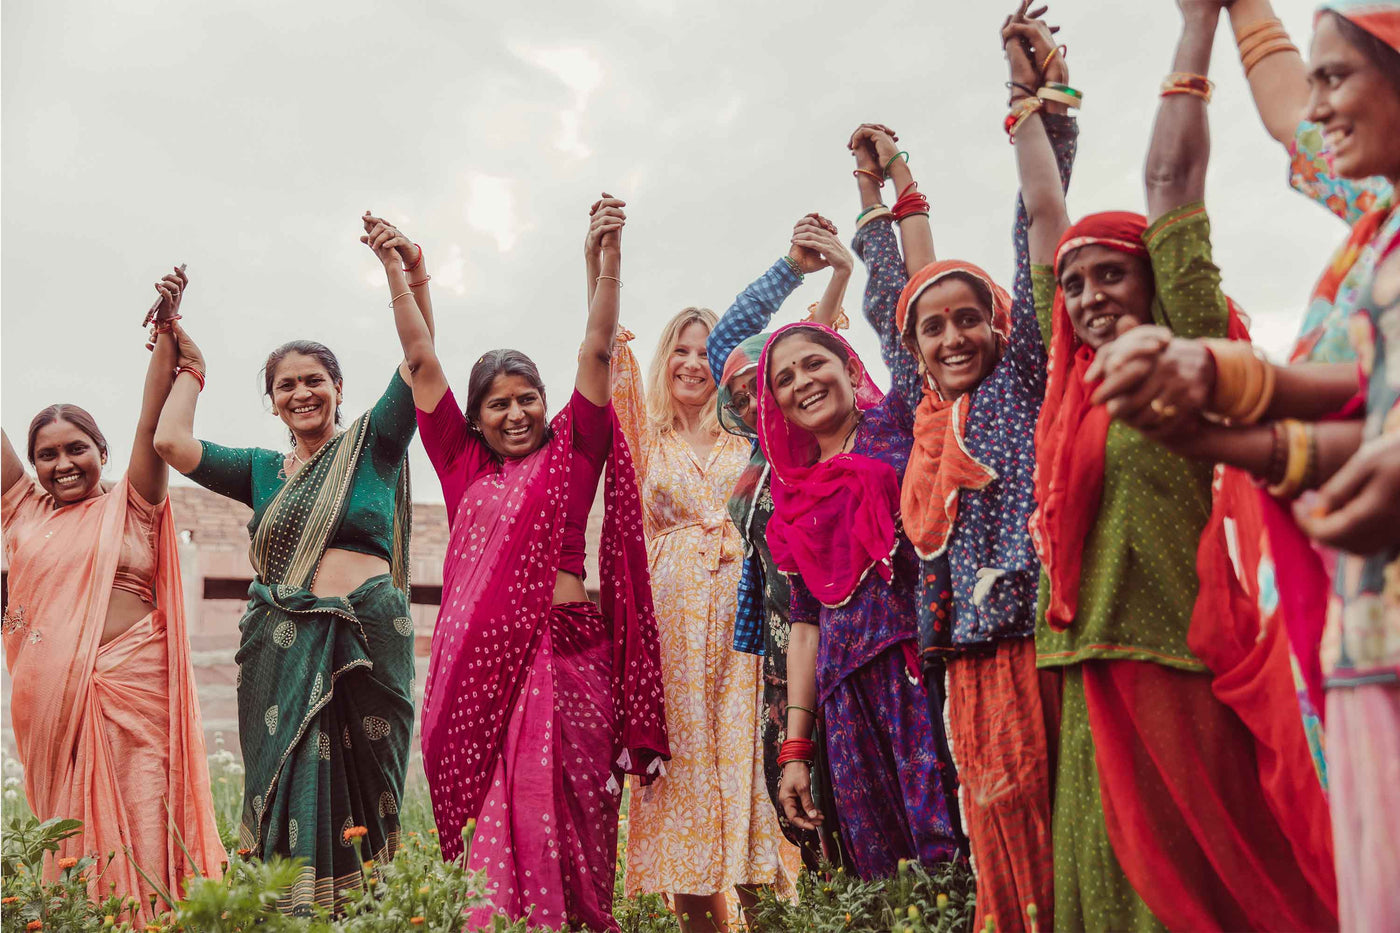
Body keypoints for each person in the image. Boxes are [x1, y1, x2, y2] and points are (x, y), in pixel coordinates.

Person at [1008, 2, 1337, 928]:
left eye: (1110, 273)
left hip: (1173, 663)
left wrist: (1197, 27)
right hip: (1081, 663)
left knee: (1194, 894)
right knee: (1103, 892)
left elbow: (1170, 178)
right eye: (1073, 285)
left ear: (1158, 278)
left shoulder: (1190, 348)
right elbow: (1044, 216)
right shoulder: (1072, 384)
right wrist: (1025, 100)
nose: (1087, 295)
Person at [1089, 4, 1400, 925]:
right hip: (1358, 624)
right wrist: (1220, 413)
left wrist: (1232, 387)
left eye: (1338, 78)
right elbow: (1373, 405)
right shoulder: (1378, 225)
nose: (1318, 107)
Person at [858, 23, 1078, 925]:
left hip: (1042, 644)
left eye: (968, 319)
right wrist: (888, 189)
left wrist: (1031, 108)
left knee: (1063, 830)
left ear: (1000, 324)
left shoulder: (1023, 379)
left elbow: (1040, 224)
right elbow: (898, 293)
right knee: (995, 826)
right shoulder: (925, 414)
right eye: (933, 329)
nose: (951, 337)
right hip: (968, 665)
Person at [406, 195, 668, 931]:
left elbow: (596, 348)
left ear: (546, 404)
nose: (515, 413)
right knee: (496, 822)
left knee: (579, 816)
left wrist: (607, 260)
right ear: (477, 418)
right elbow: (423, 359)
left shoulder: (572, 455)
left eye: (528, 399)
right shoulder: (461, 465)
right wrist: (402, 274)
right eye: (497, 403)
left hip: (570, 655)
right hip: (486, 676)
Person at [152, 215, 425, 914]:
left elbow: (420, 359)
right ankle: (294, 913)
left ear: (338, 386)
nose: (301, 393)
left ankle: (372, 912)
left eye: (314, 380)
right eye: (285, 385)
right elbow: (170, 441)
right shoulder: (261, 470)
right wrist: (190, 367)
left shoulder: (375, 442)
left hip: (365, 640)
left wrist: (402, 272)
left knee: (372, 781)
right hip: (283, 649)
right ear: (271, 400)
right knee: (289, 784)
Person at [766, 129, 970, 880]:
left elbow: (910, 294)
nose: (802, 381)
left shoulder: (898, 425)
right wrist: (796, 746)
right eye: (784, 377)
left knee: (954, 848)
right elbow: (804, 624)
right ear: (775, 404)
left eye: (815, 361)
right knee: (886, 878)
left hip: (926, 665)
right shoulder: (788, 502)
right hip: (848, 702)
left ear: (851, 370)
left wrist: (884, 183)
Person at [1, 266, 223, 919]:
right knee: (72, 840)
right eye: (47, 454)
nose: (63, 463)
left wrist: (166, 332)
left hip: (137, 694)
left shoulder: (134, 502)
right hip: (52, 706)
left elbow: (155, 419)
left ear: (103, 448)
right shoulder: (21, 511)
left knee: (149, 822)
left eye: (77, 448)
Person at [613, 289, 791, 930]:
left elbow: (806, 358)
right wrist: (602, 263)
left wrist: (811, 280)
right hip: (672, 630)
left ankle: (769, 917)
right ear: (663, 360)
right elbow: (600, 352)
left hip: (746, 619)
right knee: (682, 772)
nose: (692, 363)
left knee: (752, 765)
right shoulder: (644, 436)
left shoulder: (751, 430)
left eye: (705, 351)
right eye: (679, 351)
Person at [706, 213, 853, 868]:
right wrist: (789, 267)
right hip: (778, 645)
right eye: (737, 389)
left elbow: (799, 340)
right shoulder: (756, 462)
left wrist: (831, 275)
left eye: (757, 381)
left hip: (841, 632)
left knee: (849, 786)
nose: (746, 390)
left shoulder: (814, 450)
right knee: (795, 799)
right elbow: (725, 347)